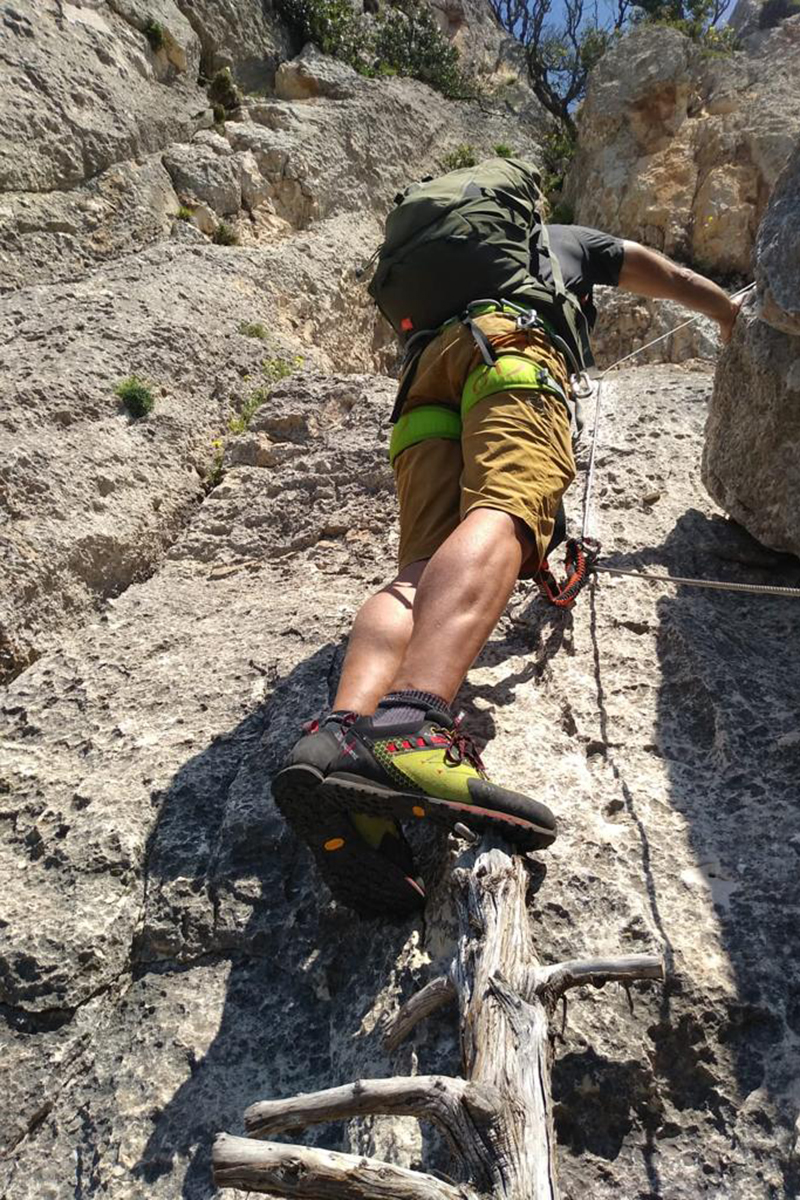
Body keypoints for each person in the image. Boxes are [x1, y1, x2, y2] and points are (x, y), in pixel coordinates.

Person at [273, 207, 742, 918]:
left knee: (417, 573)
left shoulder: (435, 286)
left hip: (421, 387)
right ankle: (412, 723)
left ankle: (340, 739)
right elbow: (667, 275)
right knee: (508, 513)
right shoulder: (561, 241)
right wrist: (728, 316)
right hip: (508, 353)